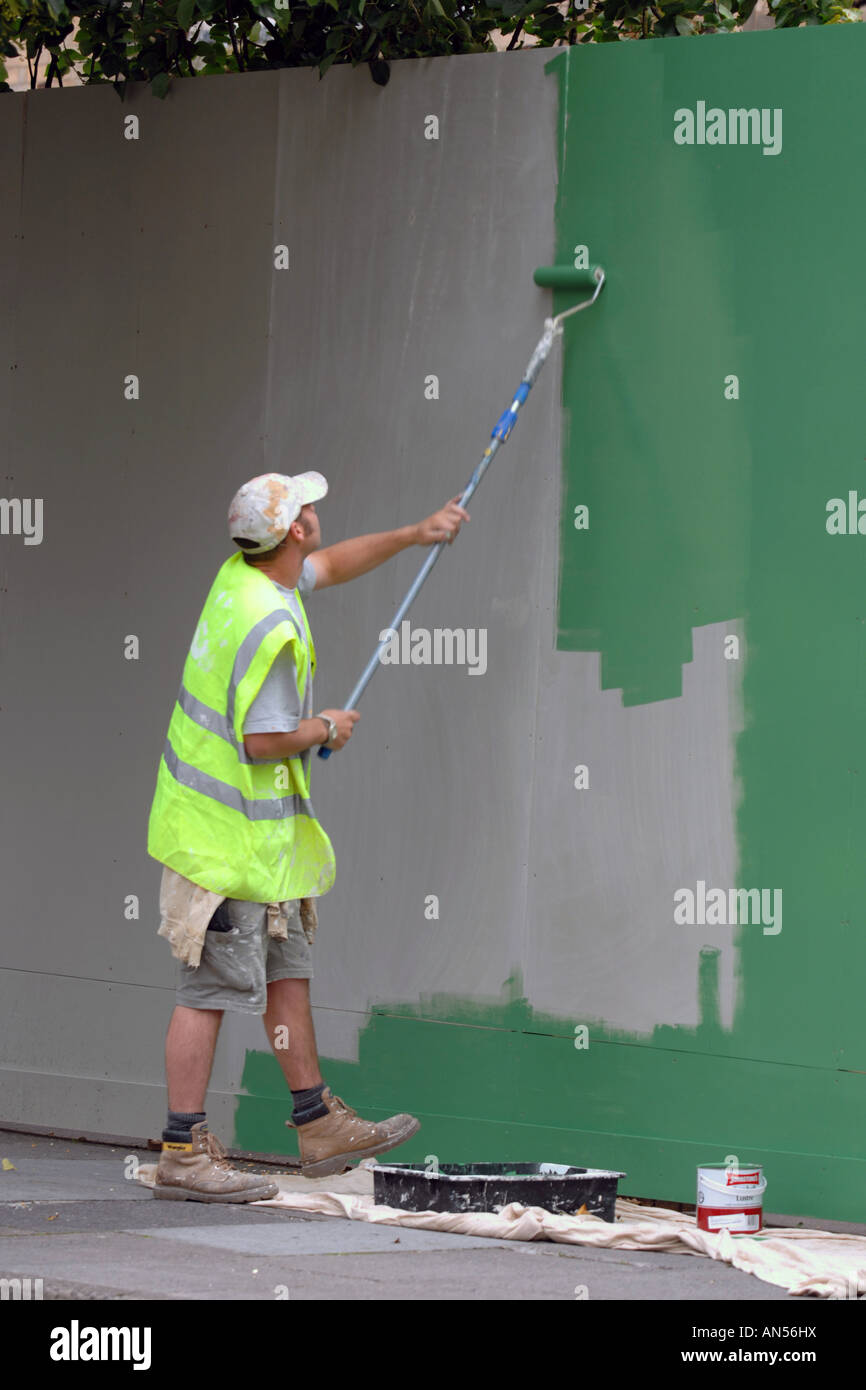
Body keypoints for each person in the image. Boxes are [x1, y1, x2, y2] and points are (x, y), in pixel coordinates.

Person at [146, 471, 469, 1202]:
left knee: (287, 970)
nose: (317, 514)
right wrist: (325, 728)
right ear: (293, 529)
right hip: (220, 842)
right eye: (307, 507)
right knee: (207, 989)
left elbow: (330, 566)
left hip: (259, 844)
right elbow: (264, 742)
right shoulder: (273, 628)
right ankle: (182, 1149)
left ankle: (315, 1118)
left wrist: (417, 532)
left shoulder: (249, 577)